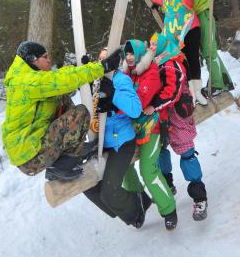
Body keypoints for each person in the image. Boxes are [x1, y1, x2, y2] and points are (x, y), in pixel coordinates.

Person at [2, 41, 121, 181]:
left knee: (60, 97)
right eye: (45, 57)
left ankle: (66, 154)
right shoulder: (27, 81)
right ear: (34, 59)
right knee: (81, 113)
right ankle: (62, 165)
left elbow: (59, 76)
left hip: (31, 145)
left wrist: (82, 69)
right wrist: (102, 67)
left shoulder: (27, 74)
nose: (49, 60)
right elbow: (61, 80)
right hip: (29, 158)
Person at [148, 32, 208, 221]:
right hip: (163, 117)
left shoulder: (172, 63)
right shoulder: (157, 63)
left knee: (187, 154)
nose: (152, 48)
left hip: (178, 116)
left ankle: (199, 197)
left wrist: (154, 104)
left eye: (155, 45)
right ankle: (168, 184)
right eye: (151, 44)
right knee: (160, 151)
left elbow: (171, 93)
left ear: (164, 46)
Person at [121, 40, 178, 230]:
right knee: (123, 165)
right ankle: (138, 201)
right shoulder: (127, 73)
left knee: (148, 170)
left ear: (139, 54)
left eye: (132, 54)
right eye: (126, 54)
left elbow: (137, 103)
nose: (129, 57)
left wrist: (117, 98)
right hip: (129, 127)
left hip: (151, 127)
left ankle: (168, 208)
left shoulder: (150, 73)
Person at [83, 70, 149, 228]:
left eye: (106, 56)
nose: (103, 60)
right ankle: (118, 208)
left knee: (109, 193)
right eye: (100, 57)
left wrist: (113, 94)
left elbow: (134, 109)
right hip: (101, 143)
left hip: (122, 142)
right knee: (86, 184)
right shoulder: (96, 81)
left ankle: (136, 207)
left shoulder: (121, 79)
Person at [151, 0, 212, 106]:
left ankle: (198, 92)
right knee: (183, 61)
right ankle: (191, 92)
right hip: (176, 34)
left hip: (190, 28)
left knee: (193, 59)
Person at [172, 0, 234, 96]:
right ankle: (224, 80)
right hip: (191, 20)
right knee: (205, 50)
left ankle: (217, 84)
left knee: (208, 50)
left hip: (203, 13)